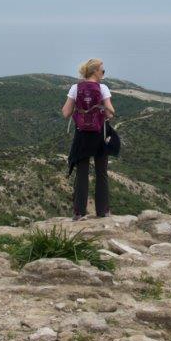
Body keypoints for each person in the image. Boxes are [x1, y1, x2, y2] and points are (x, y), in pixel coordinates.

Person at [61, 58, 116, 221]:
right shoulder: (103, 88)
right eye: (102, 70)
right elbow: (110, 113)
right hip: (99, 134)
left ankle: (79, 212)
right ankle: (103, 211)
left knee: (82, 173)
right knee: (101, 173)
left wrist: (81, 111)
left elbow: (65, 112)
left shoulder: (75, 88)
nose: (103, 73)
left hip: (81, 135)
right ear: (95, 71)